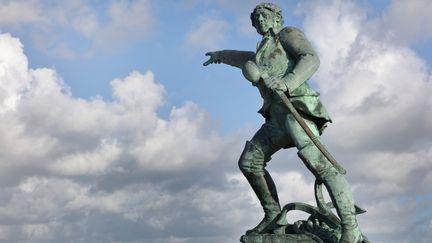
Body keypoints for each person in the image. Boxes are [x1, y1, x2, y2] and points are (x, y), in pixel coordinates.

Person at [203, 3, 364, 243]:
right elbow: (242, 59)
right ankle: (273, 214)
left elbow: (310, 58)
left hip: (295, 108)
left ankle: (351, 228)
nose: (258, 20)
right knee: (249, 162)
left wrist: (288, 81)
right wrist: (219, 56)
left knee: (319, 164)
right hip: (275, 117)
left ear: (276, 17)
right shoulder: (260, 53)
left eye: (263, 15)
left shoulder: (287, 34)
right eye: (255, 18)